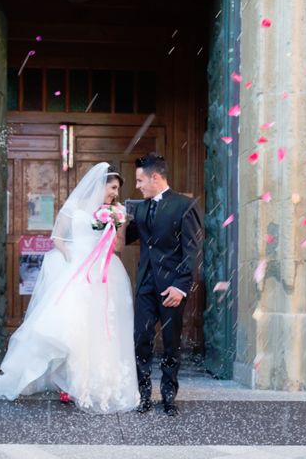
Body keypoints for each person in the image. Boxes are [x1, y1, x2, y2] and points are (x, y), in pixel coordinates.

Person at [0, 162, 139, 414]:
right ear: (100, 185)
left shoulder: (115, 211)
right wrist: (70, 255)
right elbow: (57, 239)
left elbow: (118, 248)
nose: (115, 193)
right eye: (112, 187)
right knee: (68, 326)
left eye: (117, 189)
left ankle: (88, 382)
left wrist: (116, 227)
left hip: (104, 272)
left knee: (97, 327)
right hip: (76, 269)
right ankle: (65, 378)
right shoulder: (74, 208)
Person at [126, 153, 202, 417]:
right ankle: (143, 396)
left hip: (171, 289)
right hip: (146, 285)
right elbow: (126, 237)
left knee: (171, 343)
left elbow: (192, 250)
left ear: (155, 177)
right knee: (141, 340)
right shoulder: (141, 208)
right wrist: (109, 218)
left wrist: (181, 287)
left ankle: (169, 397)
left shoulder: (185, 205)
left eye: (140, 180)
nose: (137, 186)